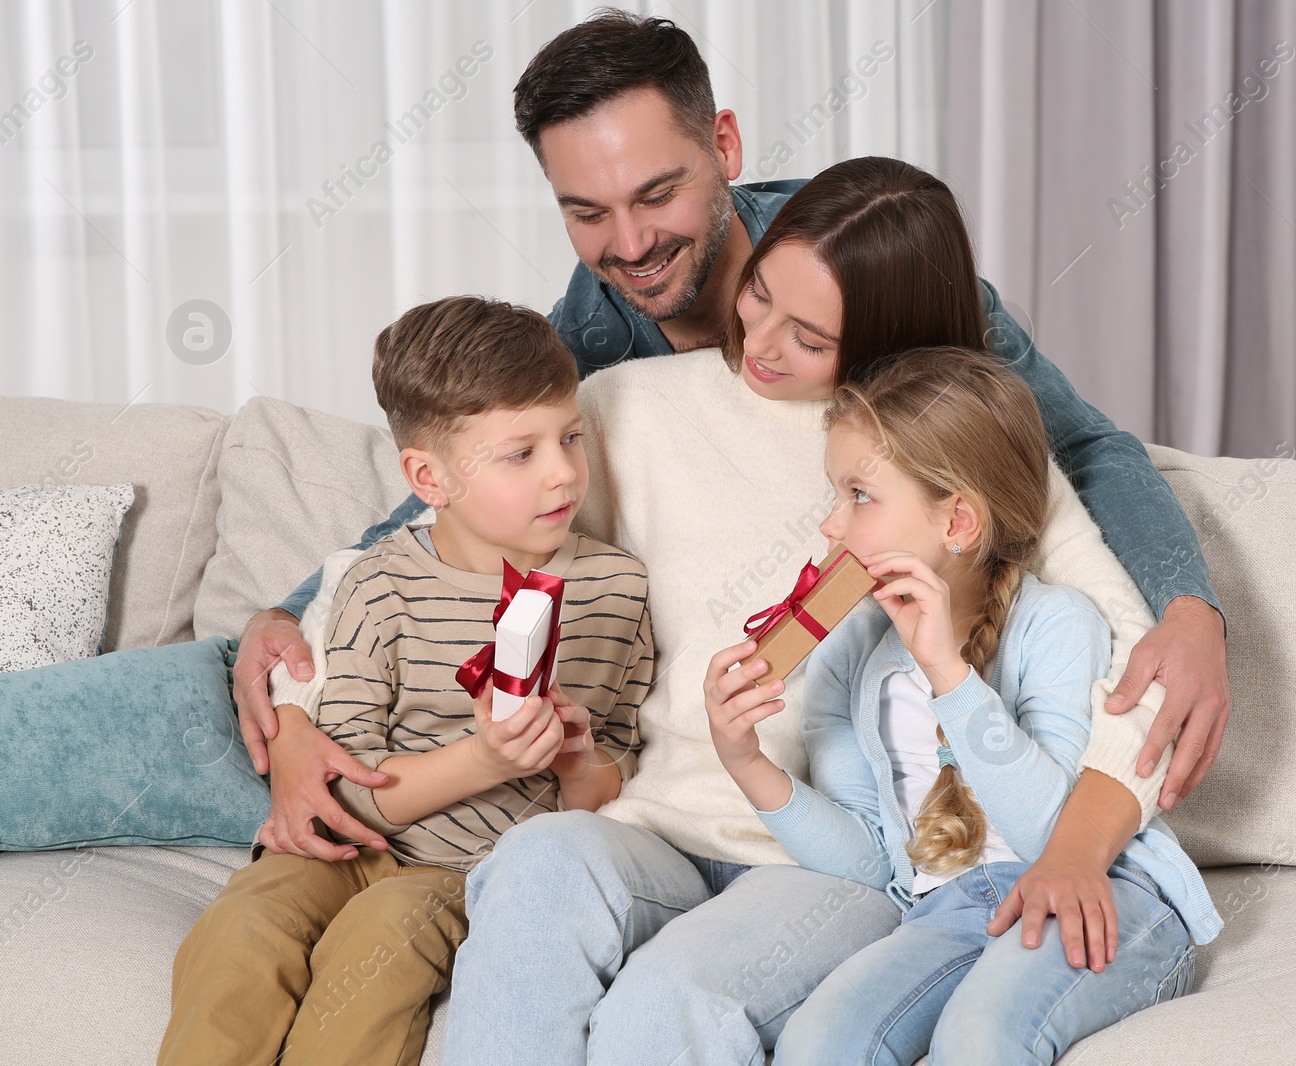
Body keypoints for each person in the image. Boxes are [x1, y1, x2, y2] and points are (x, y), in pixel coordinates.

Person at [233, 10, 1230, 873]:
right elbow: (467, 480)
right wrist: (291, 633)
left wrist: (1188, 609)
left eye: (656, 195)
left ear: (725, 144)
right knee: (211, 696)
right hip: (596, 761)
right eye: (587, 212)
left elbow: (1075, 452)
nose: (628, 245)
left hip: (856, 783)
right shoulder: (594, 331)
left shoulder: (890, 280)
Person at [435, 157, 1205, 1064]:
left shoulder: (969, 454)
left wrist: (1195, 615)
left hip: (815, 866)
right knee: (534, 867)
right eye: (757, 296)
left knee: (668, 1006)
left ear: (888, 339)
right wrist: (297, 664)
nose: (758, 343)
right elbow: (454, 509)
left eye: (808, 337)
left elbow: (1130, 669)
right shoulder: (621, 409)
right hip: (656, 824)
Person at [157, 297, 653, 1066]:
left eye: (572, 437)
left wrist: (577, 760)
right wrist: (484, 759)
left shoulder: (614, 590)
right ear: (430, 477)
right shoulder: (379, 586)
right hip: (342, 844)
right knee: (238, 931)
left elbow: (613, 785)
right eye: (521, 453)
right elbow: (344, 789)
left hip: (466, 871)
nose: (563, 472)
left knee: (383, 936)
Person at [706, 349, 1220, 1065]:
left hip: (1104, 891)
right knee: (818, 1043)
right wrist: (746, 762)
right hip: (945, 911)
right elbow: (873, 862)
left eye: (858, 496)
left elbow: (1054, 841)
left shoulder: (1057, 624)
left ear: (958, 523)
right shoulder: (859, 658)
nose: (831, 526)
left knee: (978, 1035)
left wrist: (947, 674)